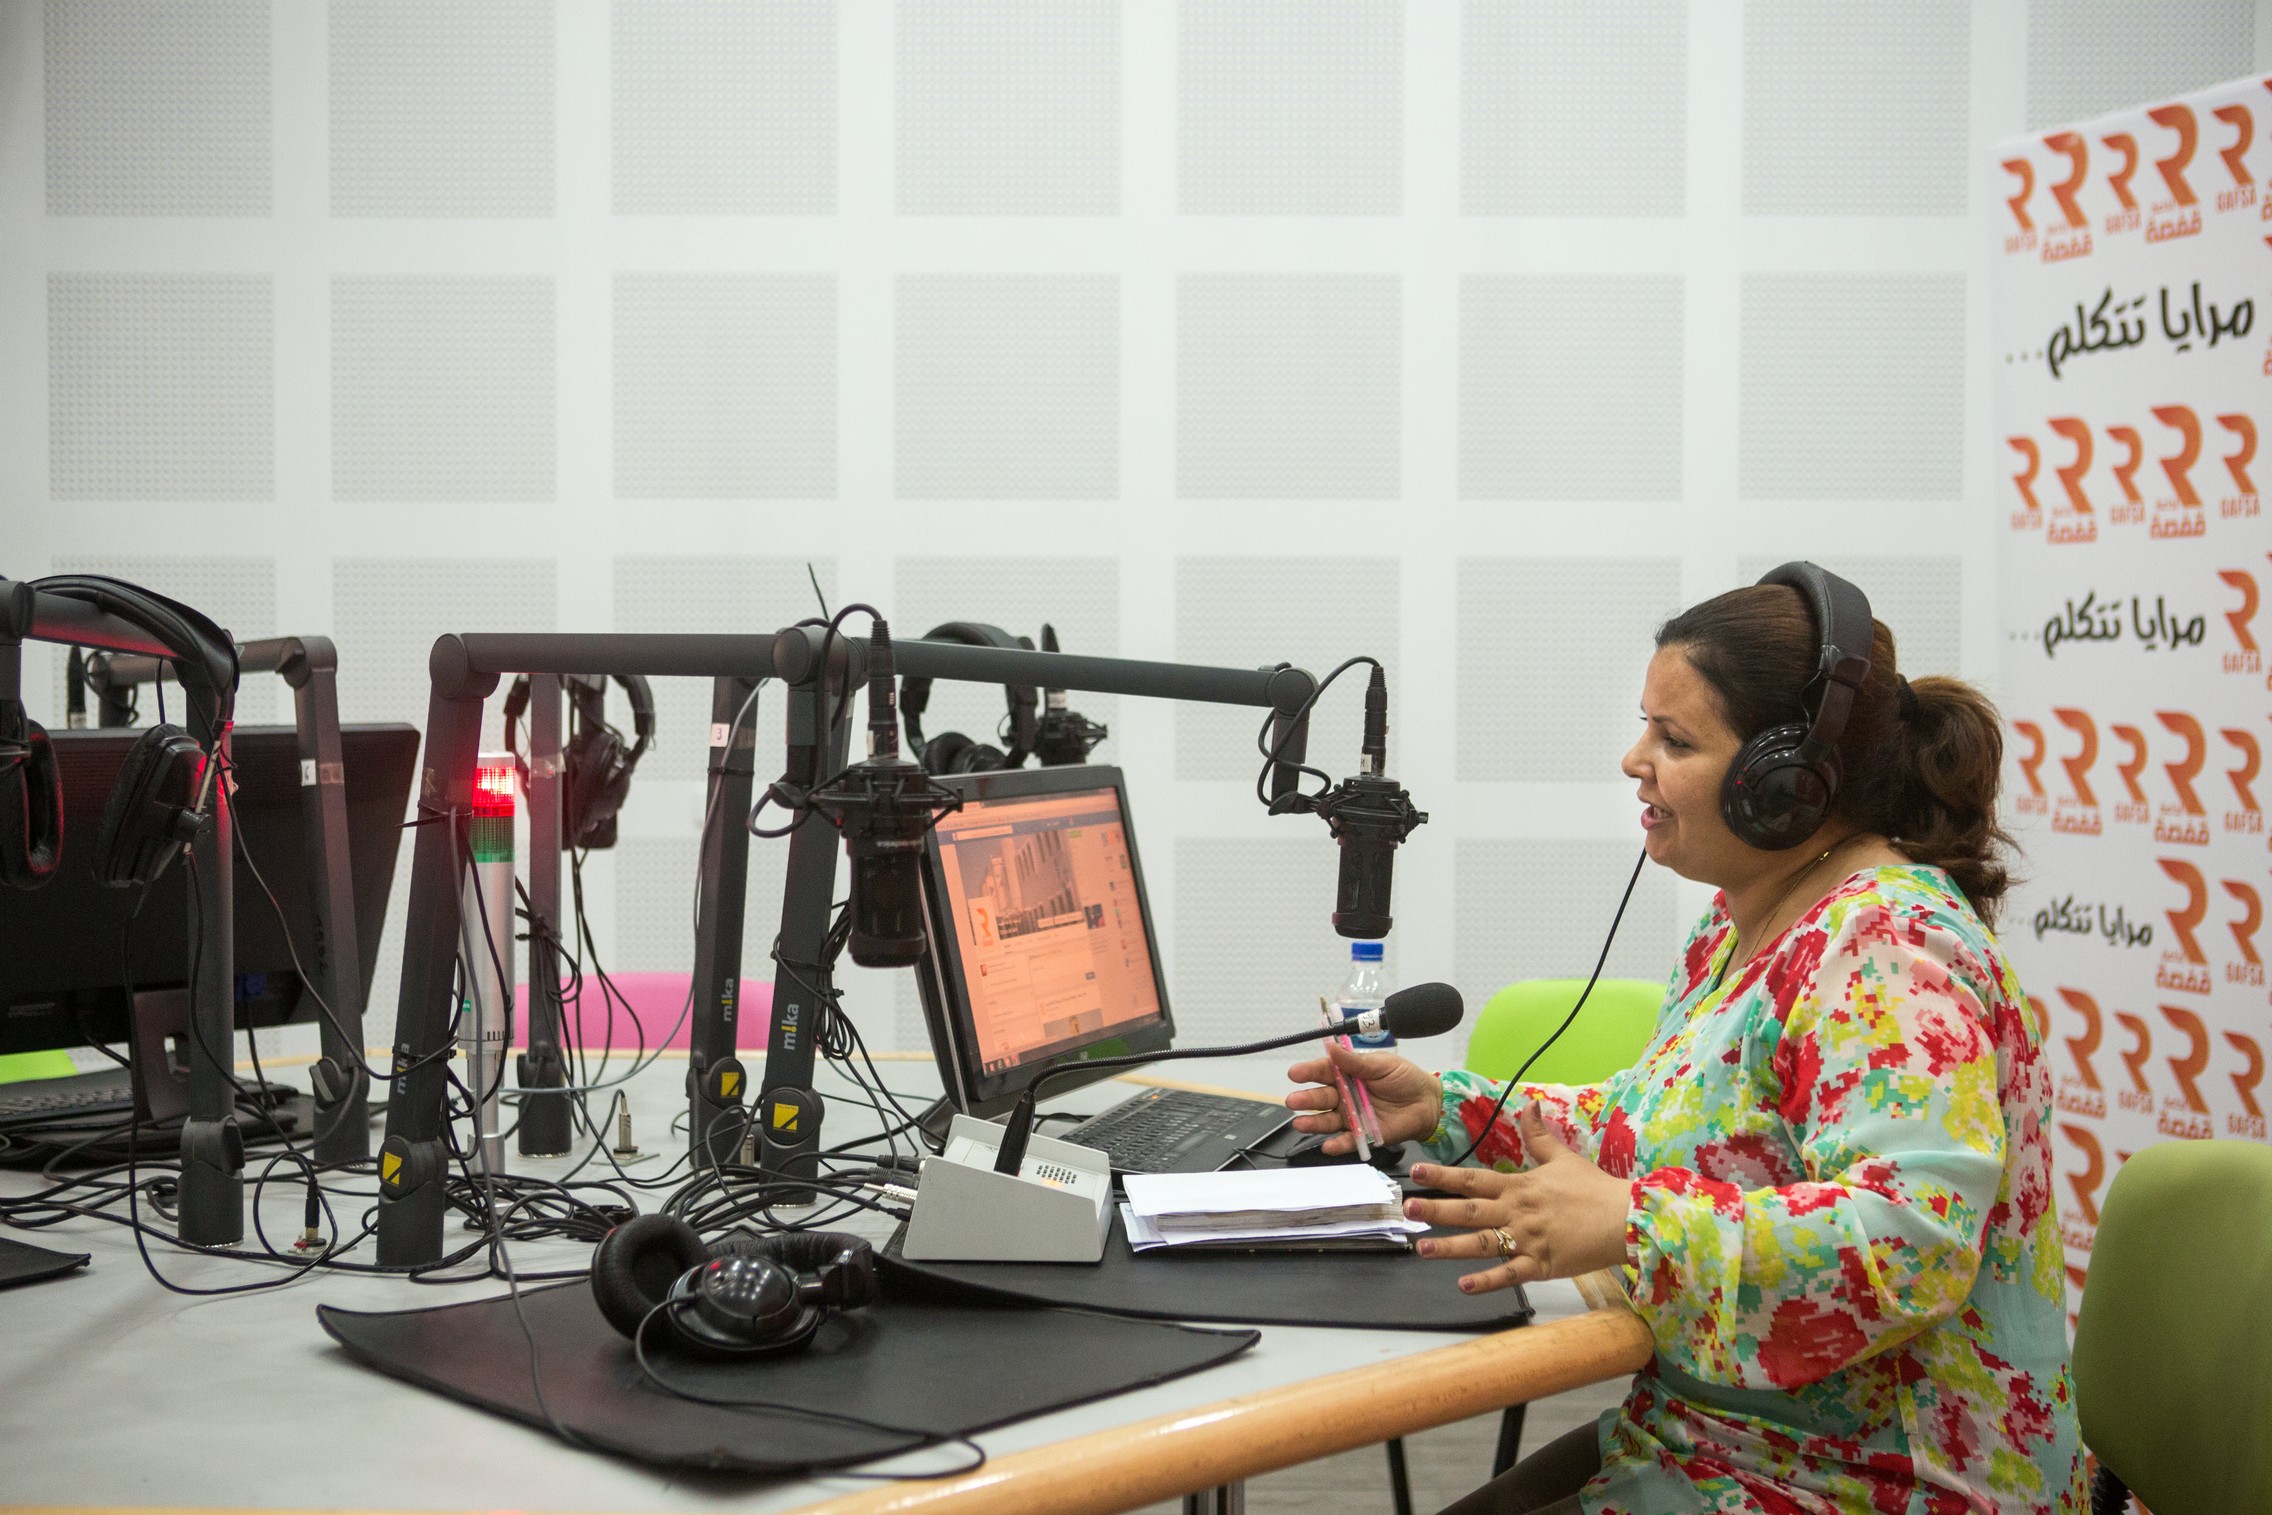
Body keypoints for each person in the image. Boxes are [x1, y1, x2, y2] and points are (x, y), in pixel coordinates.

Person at [1287, 570, 2084, 1515]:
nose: (1635, 759)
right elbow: (1660, 1126)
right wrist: (1449, 1105)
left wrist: (1631, 1223)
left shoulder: (1886, 949)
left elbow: (1908, 1240)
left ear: (1786, 784)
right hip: (1730, 1443)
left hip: (1879, 1483)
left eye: (1675, 739)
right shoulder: (1746, 920)